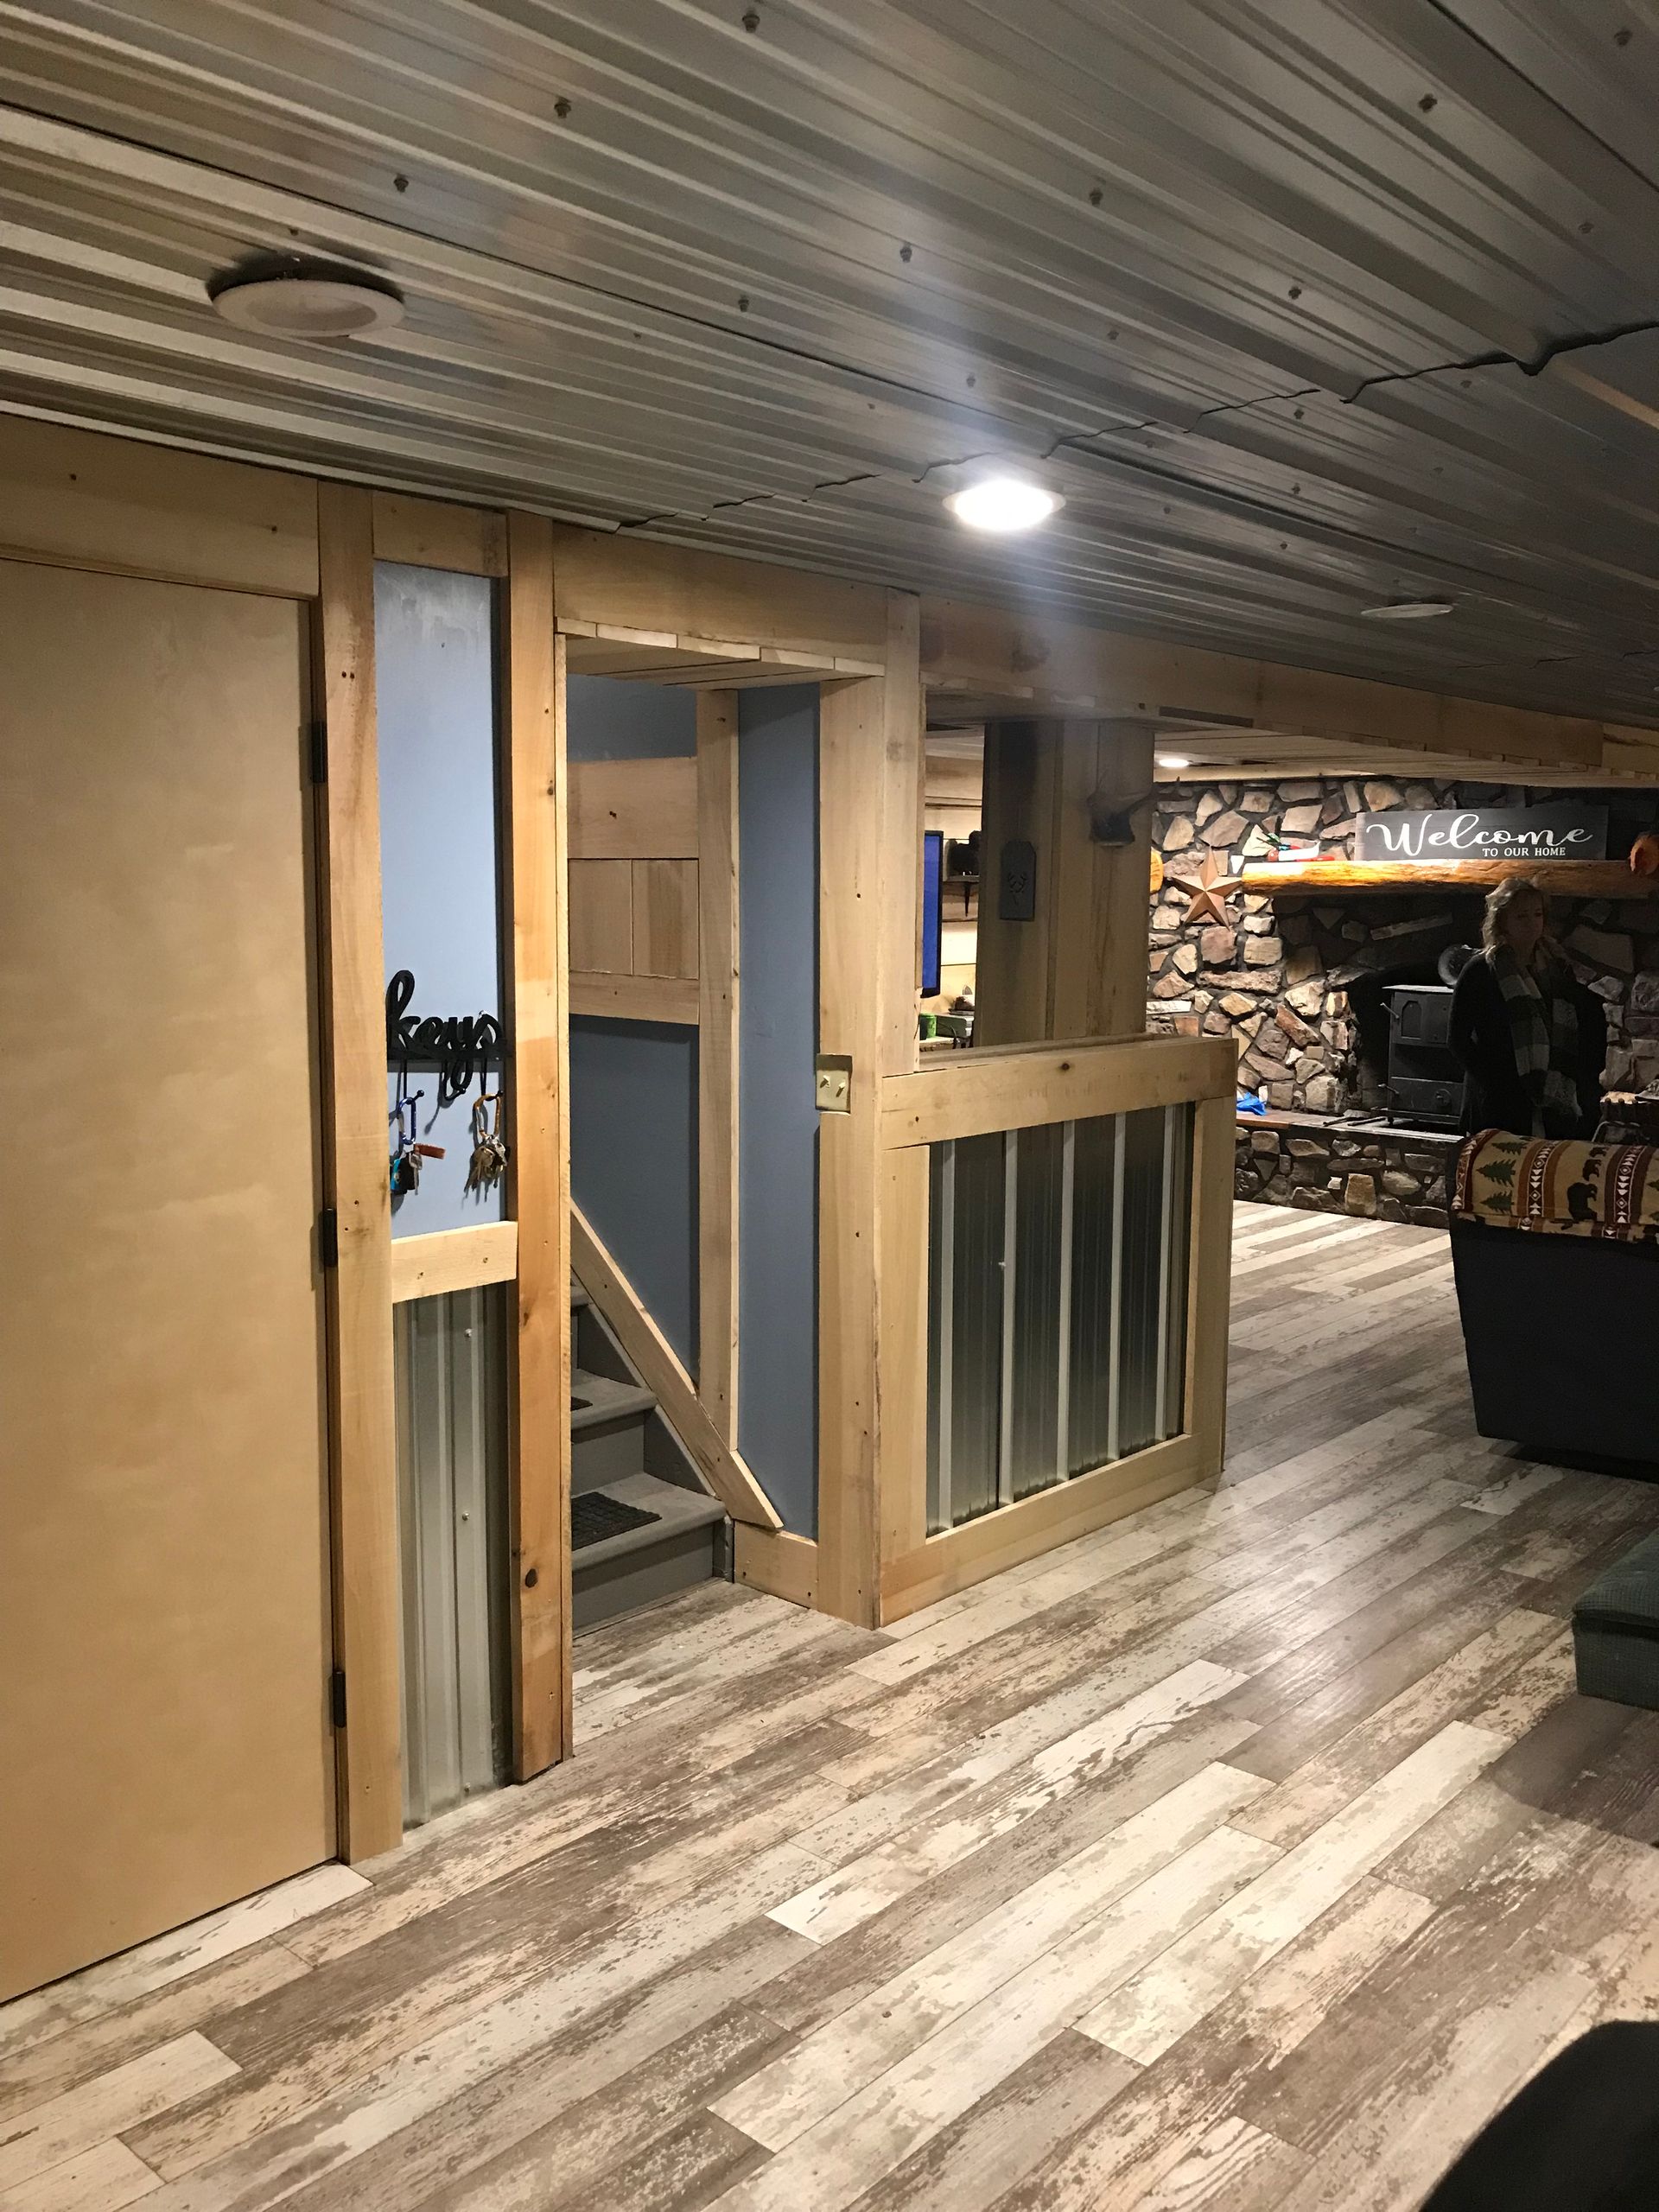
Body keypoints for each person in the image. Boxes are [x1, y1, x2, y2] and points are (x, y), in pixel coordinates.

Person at [1449, 877, 1605, 1137]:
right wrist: (1495, 1083)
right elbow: (1457, 1039)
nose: (1532, 923)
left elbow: (1574, 1025)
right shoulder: (1480, 971)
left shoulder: (1557, 968)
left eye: (1537, 914)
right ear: (1502, 922)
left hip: (1551, 1100)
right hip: (1499, 1102)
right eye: (1521, 916)